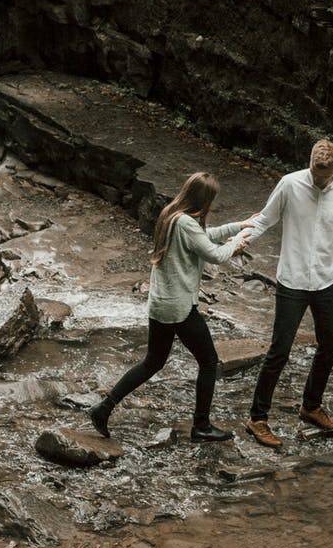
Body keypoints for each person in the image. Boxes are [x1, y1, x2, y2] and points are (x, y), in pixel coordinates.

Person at [88, 172, 254, 442]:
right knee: (209, 362)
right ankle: (201, 426)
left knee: (152, 362)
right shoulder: (186, 222)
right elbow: (214, 254)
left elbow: (203, 236)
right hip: (179, 307)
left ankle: (103, 408)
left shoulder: (172, 214)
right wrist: (237, 243)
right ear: (203, 199)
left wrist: (238, 226)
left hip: (161, 304)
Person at [241, 139, 333, 448]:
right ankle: (258, 418)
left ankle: (311, 407)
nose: (316, 179)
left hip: (325, 280)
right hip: (292, 280)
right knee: (279, 351)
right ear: (310, 161)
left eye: (323, 175)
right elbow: (265, 218)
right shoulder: (289, 184)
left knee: (329, 346)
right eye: (313, 171)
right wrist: (239, 241)